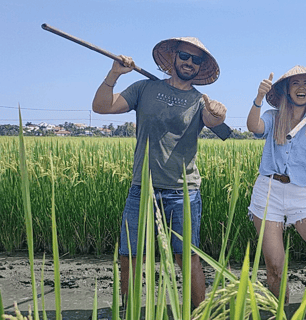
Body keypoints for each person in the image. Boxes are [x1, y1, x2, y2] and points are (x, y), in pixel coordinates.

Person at [92, 37, 227, 308]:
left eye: (196, 60)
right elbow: (101, 107)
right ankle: (129, 310)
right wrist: (114, 74)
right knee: (129, 255)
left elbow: (214, 120)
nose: (189, 62)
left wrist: (218, 114)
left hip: (183, 192)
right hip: (142, 189)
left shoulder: (199, 100)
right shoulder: (144, 88)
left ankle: (196, 313)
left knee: (186, 257)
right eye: (185, 56)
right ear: (174, 58)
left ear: (201, 67)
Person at [246, 66, 306, 314]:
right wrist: (258, 98)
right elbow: (254, 127)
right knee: (275, 265)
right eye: (295, 84)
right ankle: (280, 312)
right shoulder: (272, 116)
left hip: (303, 194)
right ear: (287, 90)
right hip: (269, 191)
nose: (301, 88)